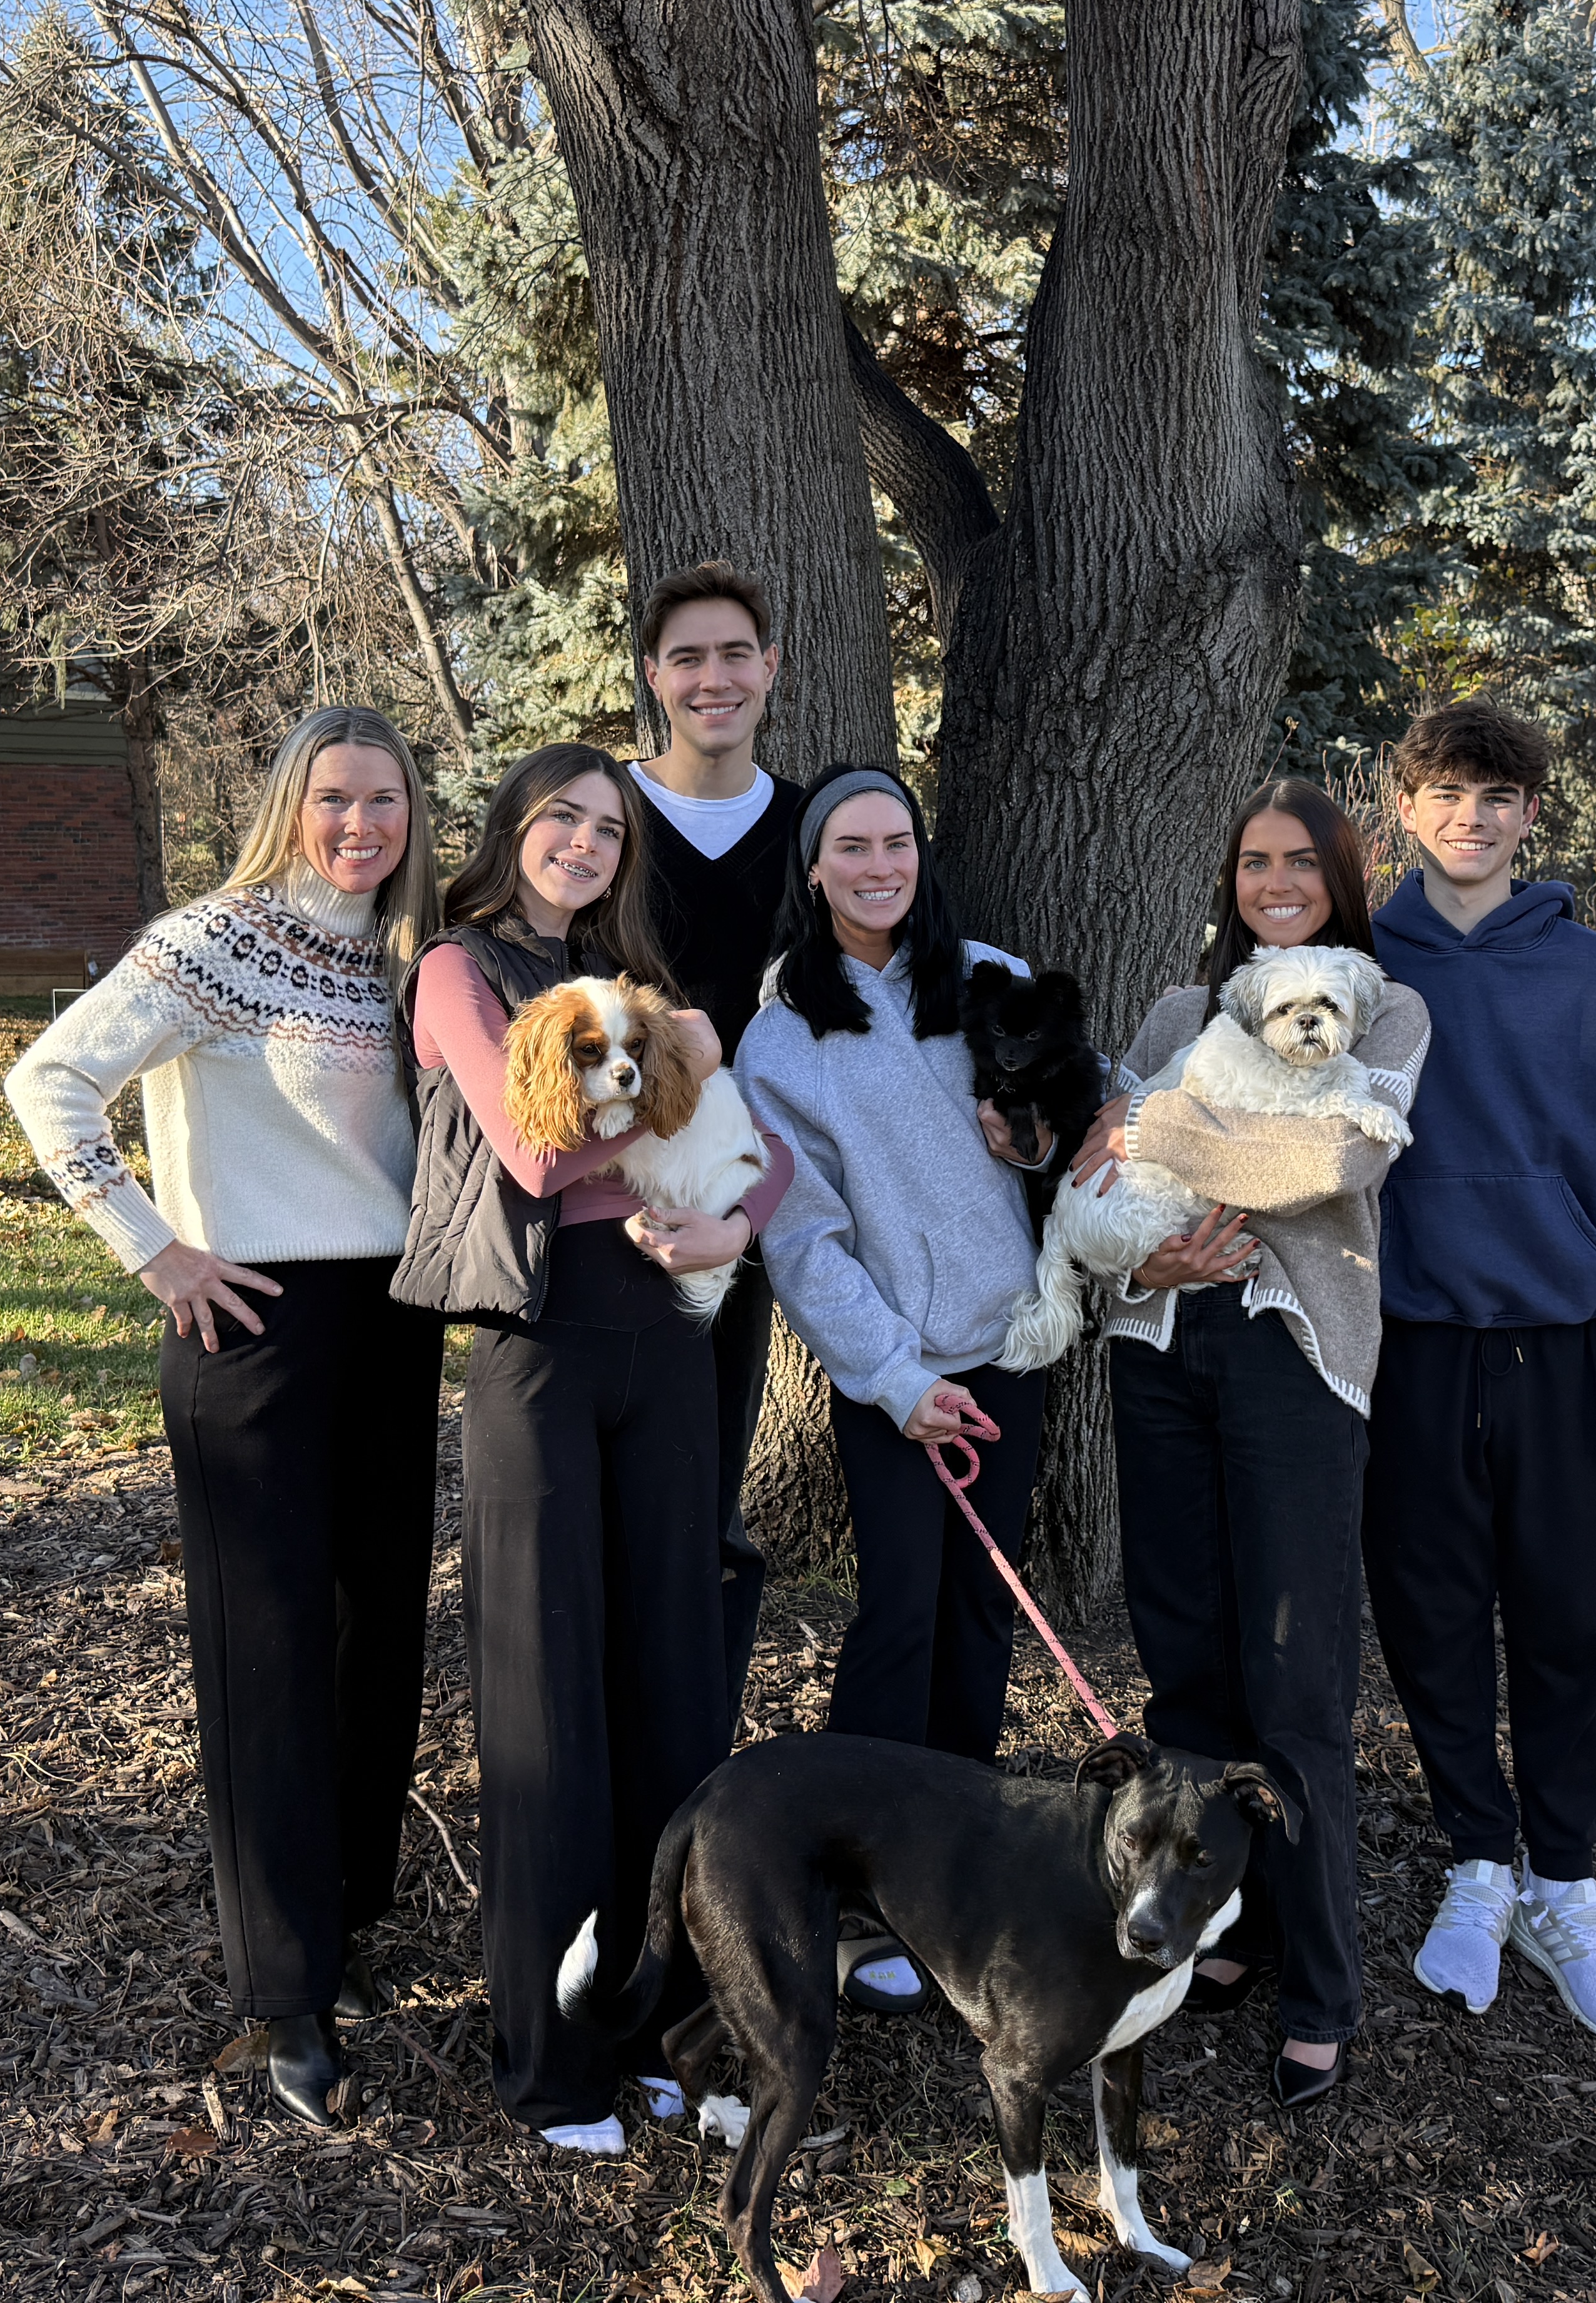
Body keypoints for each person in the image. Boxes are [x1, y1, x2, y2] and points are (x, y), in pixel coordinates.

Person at [1, 705, 445, 2132]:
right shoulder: (217, 939)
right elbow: (49, 1079)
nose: (361, 824)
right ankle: (279, 1993)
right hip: (252, 1322)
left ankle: (347, 1919)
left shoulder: (414, 952)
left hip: (396, 1319)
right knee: (269, 1656)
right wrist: (155, 1249)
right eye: (335, 797)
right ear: (289, 805)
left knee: (376, 1635)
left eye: (385, 799)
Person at [391, 744, 794, 2154]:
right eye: (561, 817)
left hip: (669, 1351)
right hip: (542, 1354)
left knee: (671, 1694)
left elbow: (768, 1158)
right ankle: (553, 2063)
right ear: (513, 827)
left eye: (609, 829)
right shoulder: (459, 971)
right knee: (549, 1708)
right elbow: (534, 1151)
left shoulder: (626, 981)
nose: (583, 843)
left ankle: (665, 2030)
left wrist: (732, 1222)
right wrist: (682, 1074)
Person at [1074, 777, 1427, 2108]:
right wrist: (1148, 1250)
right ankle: (1218, 1924)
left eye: (1303, 863)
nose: (1277, 884)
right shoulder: (1178, 1015)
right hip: (1161, 1344)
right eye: (1254, 863)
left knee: (1294, 1686)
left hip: (1299, 1362)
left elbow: (1329, 1165)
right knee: (1185, 1663)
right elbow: (1097, 1174)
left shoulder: (1387, 1010)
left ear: (1342, 877)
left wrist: (1161, 1125)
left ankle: (1321, 1984)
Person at [1365, 699, 1596, 2042]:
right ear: (1405, 808)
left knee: (1570, 1623)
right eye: (1446, 792)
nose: (1472, 818)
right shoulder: (1358, 965)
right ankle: (1478, 1863)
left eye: (1496, 797)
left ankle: (1566, 1882)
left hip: (1568, 1349)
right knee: (1429, 1619)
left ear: (1531, 815)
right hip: (1411, 1347)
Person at [735, 765, 1056, 2005]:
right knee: (901, 1614)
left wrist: (1030, 1137)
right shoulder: (783, 1035)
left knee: (982, 1612)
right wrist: (892, 1375)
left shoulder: (988, 977)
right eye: (852, 848)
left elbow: (1062, 1125)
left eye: (897, 843)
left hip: (1009, 1349)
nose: (880, 867)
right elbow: (801, 1237)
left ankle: (958, 1860)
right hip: (897, 1375)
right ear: (814, 870)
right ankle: (858, 1888)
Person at [624, 562, 800, 1726]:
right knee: (613, 1496)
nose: (713, 678)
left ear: (770, 668)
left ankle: (696, 1750)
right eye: (687, 657)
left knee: (711, 1494)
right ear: (654, 676)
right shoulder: (605, 814)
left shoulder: (809, 827)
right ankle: (605, 1751)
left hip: (743, 1205)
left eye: (736, 653)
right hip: (603, 1202)